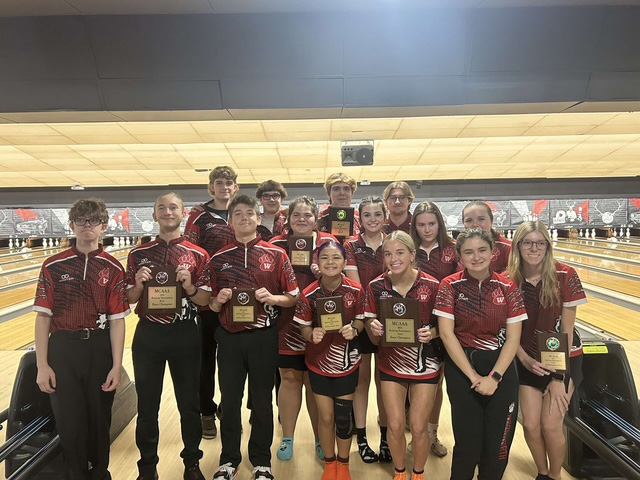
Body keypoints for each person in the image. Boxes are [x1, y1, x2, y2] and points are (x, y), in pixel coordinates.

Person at [34, 198, 130, 480]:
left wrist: (116, 365)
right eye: (81, 220)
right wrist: (42, 364)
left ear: (103, 226)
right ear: (72, 224)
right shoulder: (52, 265)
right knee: (69, 421)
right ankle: (75, 475)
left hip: (99, 348)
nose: (87, 226)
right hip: (62, 349)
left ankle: (100, 474)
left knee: (100, 420)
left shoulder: (113, 268)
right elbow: (43, 318)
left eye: (94, 221)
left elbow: (117, 320)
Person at [209, 194, 299, 480]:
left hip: (263, 337)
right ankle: (229, 460)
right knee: (231, 400)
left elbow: (293, 297)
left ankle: (262, 461)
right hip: (230, 338)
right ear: (231, 220)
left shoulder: (277, 255)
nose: (244, 218)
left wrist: (273, 297)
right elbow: (209, 304)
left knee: (261, 400)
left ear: (259, 219)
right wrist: (217, 301)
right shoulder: (219, 259)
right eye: (238, 214)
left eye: (250, 213)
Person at [127, 193, 213, 480]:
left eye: (172, 207)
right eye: (161, 208)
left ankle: (192, 464)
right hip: (148, 334)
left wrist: (189, 286)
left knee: (189, 404)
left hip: (185, 333)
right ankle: (147, 468)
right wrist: (138, 285)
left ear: (183, 213)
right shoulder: (138, 254)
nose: (167, 212)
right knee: (147, 405)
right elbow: (128, 298)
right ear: (154, 216)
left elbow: (204, 300)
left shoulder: (199, 254)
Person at [434, 229, 526, 480]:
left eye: (482, 250)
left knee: (497, 447)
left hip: (502, 370)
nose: (476, 257)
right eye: (469, 252)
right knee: (468, 445)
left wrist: (494, 377)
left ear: (493, 252)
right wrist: (473, 376)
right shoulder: (449, 285)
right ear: (460, 256)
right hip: (463, 369)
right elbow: (446, 334)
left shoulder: (508, 287)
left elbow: (513, 338)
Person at [507, 221, 587, 480]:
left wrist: (558, 377)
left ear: (548, 246)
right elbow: (509, 331)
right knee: (530, 425)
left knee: (551, 426)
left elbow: (565, 329)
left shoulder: (565, 275)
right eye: (527, 242)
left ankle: (555, 475)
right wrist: (525, 359)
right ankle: (542, 473)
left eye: (540, 242)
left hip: (562, 360)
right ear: (518, 246)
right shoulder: (509, 280)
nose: (534, 248)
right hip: (526, 358)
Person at [366, 231, 441, 480]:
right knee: (396, 425)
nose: (393, 259)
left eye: (399, 253)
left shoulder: (432, 285)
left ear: (412, 254)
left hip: (425, 364)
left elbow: (445, 326)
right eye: (388, 254)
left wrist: (432, 332)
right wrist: (372, 328)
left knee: (419, 427)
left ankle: (418, 473)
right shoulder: (376, 287)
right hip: (391, 363)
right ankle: (400, 472)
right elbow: (370, 333)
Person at [269, 196, 337, 461]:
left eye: (307, 215)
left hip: (321, 321)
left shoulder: (329, 243)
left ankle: (320, 439)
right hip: (285, 322)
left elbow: (339, 277)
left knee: (313, 383)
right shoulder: (276, 245)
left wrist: (324, 272)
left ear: (316, 219)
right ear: (287, 219)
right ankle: (288, 438)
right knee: (289, 378)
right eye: (296, 215)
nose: (302, 220)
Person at [295, 241, 364, 480]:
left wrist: (354, 329)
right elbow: (303, 327)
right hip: (319, 363)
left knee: (343, 417)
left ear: (345, 263)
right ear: (317, 263)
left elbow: (361, 319)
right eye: (325, 258)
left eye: (336, 258)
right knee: (325, 417)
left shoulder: (356, 290)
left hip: (347, 363)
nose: (331, 262)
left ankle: (343, 464)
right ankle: (330, 462)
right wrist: (311, 334)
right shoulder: (309, 294)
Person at [184, 165, 239, 439]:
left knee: (231, 362)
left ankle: (228, 409)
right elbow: (189, 254)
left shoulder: (240, 211)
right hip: (207, 301)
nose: (224, 187)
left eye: (229, 183)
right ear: (211, 187)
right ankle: (206, 411)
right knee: (205, 362)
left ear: (235, 187)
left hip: (238, 302)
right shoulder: (198, 216)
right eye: (219, 182)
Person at [410, 201, 459, 458]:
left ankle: (431, 434)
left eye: (431, 223)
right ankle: (416, 433)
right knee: (413, 383)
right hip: (411, 324)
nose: (427, 229)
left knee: (435, 384)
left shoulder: (452, 250)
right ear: (414, 226)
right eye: (421, 224)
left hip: (444, 325)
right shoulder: (409, 249)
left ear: (439, 223)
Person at [344, 196, 390, 463]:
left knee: (385, 382)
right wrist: (368, 316)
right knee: (361, 381)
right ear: (360, 218)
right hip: (361, 319)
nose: (373, 219)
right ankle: (361, 438)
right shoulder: (351, 245)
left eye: (377, 214)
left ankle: (385, 438)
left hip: (390, 322)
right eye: (367, 215)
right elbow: (356, 286)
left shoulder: (393, 242)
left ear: (384, 217)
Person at [462, 201, 511, 273]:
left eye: (481, 219)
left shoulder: (508, 248)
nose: (475, 224)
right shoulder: (457, 248)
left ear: (491, 221)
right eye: (469, 220)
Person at [317, 172, 361, 242]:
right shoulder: (319, 220)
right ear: (329, 194)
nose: (342, 193)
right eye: (336, 189)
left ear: (352, 193)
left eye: (346, 189)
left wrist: (355, 242)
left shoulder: (361, 220)